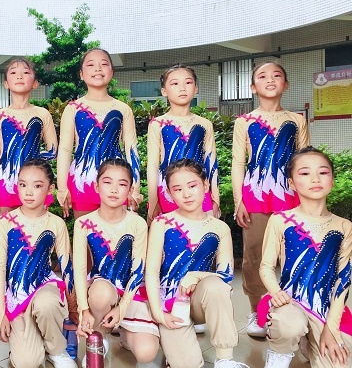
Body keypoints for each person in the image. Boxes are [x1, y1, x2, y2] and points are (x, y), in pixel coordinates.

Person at [232, 61, 310, 337]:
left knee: (293, 256)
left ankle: (295, 311)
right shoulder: (244, 121)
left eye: (277, 75)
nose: (270, 80)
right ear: (253, 87)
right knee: (254, 256)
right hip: (255, 198)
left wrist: (306, 199)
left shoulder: (297, 121)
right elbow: (238, 163)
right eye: (262, 76)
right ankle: (256, 310)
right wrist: (239, 201)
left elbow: (304, 161)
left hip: (291, 199)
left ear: (285, 84)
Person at [146, 159, 247, 368]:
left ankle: (225, 359)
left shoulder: (220, 228)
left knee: (216, 286)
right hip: (171, 303)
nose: (186, 194)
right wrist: (158, 314)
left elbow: (226, 276)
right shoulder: (162, 223)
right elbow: (152, 272)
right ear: (169, 193)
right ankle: (173, 346)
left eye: (192, 185)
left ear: (206, 185)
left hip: (201, 299)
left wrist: (196, 276)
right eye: (177, 189)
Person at [259, 147, 352, 368]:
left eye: (323, 172)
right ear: (291, 183)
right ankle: (279, 353)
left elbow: (344, 279)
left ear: (332, 179)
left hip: (324, 308)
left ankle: (309, 343)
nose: (315, 179)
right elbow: (265, 267)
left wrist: (331, 328)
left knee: (340, 359)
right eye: (305, 173)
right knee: (290, 325)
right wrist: (275, 292)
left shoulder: (344, 226)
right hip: (288, 303)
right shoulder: (280, 220)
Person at [73, 158, 159, 366]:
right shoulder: (83, 223)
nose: (114, 190)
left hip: (132, 292)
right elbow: (80, 268)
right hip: (102, 291)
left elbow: (138, 270)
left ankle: (124, 331)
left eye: (122, 184)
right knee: (101, 292)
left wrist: (122, 308)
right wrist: (83, 309)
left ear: (130, 190)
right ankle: (101, 336)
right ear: (97, 186)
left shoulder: (137, 223)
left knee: (146, 354)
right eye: (107, 182)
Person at [0, 158, 77, 368]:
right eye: (23, 185)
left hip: (43, 287)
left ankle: (57, 349)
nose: (28, 192)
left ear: (50, 189)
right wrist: (0, 313)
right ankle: (34, 337)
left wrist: (75, 308)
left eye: (37, 186)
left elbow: (67, 267)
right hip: (17, 294)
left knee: (46, 304)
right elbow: (0, 268)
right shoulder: (6, 222)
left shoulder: (56, 223)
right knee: (27, 363)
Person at [57, 48, 141, 220]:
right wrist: (62, 188)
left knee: (117, 232)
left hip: (117, 181)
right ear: (81, 74)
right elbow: (65, 150)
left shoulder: (123, 109)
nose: (98, 69)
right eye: (90, 65)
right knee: (86, 231)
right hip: (82, 180)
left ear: (112, 72)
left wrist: (136, 188)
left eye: (104, 64)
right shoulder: (73, 108)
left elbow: (131, 149)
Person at [0, 57, 57, 223]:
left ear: (35, 83)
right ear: (6, 84)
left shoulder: (42, 114)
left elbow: (53, 151)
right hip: (6, 182)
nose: (19, 76)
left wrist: (31, 158)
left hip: (35, 182)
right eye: (13, 72)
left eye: (26, 72)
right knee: (9, 230)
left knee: (35, 228)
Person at [147, 64, 219, 223]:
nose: (182, 88)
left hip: (200, 191)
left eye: (188, 82)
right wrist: (153, 201)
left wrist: (216, 198)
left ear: (196, 88)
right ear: (164, 91)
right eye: (175, 83)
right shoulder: (157, 124)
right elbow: (152, 165)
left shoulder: (205, 124)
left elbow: (211, 162)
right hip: (169, 192)